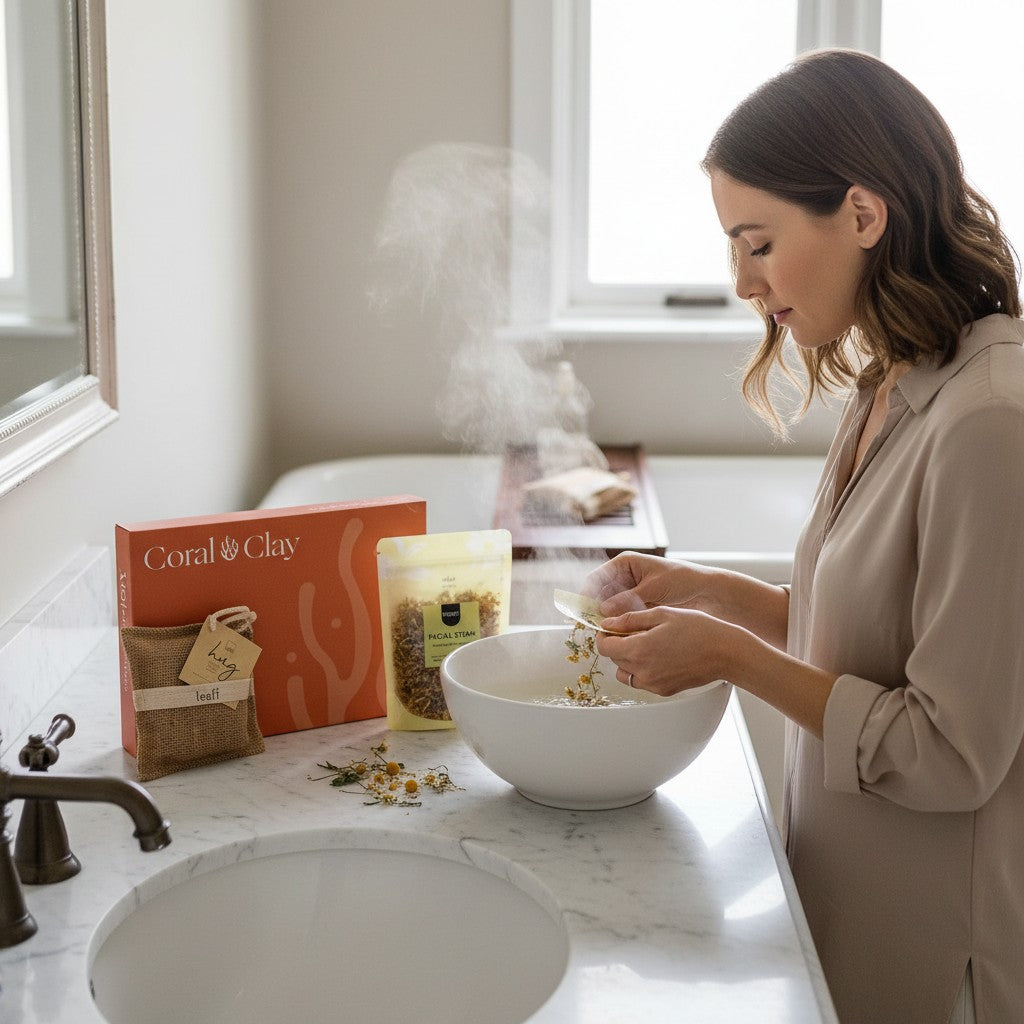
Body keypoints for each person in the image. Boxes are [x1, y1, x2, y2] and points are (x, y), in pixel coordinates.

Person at [587, 49, 1023, 1024]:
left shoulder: (990, 422)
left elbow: (951, 750)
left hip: (937, 962)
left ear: (863, 216)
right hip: (851, 912)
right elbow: (875, 643)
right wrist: (709, 594)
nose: (742, 281)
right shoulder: (893, 381)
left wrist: (731, 657)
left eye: (756, 241)